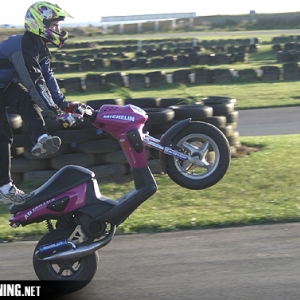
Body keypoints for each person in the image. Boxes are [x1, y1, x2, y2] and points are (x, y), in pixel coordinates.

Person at [0, 1, 76, 205]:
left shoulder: (39, 47)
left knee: (25, 99)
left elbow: (49, 79)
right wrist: (55, 113)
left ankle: (41, 137)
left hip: (4, 85)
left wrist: (64, 106)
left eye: (58, 25)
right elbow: (35, 82)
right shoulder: (23, 47)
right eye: (54, 25)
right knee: (3, 133)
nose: (58, 29)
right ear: (38, 23)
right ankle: (5, 189)